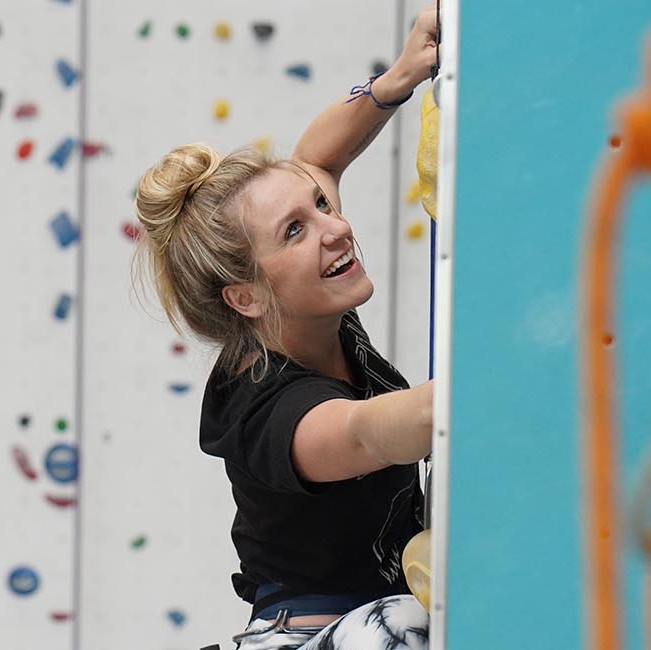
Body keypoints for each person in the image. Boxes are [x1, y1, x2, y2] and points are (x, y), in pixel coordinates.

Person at [131, 6, 441, 649]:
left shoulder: (307, 302)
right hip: (309, 637)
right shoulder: (273, 414)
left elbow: (317, 153)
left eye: (321, 206)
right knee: (409, 626)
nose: (336, 228)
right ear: (246, 296)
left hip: (374, 618)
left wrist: (397, 79)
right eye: (294, 231)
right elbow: (368, 432)